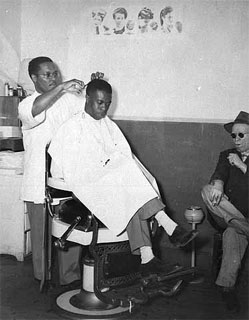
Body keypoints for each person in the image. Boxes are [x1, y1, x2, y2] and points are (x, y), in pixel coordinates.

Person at [48, 79, 199, 276]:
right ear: (87, 98)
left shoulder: (108, 125)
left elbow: (125, 155)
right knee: (126, 181)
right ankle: (168, 225)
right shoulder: (71, 126)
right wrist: (104, 168)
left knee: (130, 185)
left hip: (110, 185)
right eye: (99, 102)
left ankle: (148, 258)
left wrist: (110, 167)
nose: (104, 108)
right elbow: (65, 168)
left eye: (108, 104)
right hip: (84, 187)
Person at [18, 56, 87, 286]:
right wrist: (60, 87)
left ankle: (70, 277)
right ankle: (43, 278)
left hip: (65, 174)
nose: (54, 77)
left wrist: (91, 87)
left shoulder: (68, 100)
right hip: (39, 179)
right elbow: (37, 110)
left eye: (55, 73)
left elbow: (87, 111)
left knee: (71, 225)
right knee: (41, 235)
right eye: (47, 75)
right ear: (34, 78)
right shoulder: (27, 103)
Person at [201, 111, 249, 311]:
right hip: (228, 213)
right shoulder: (226, 155)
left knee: (232, 234)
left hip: (239, 221)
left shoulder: (237, 159)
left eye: (241, 135)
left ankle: (227, 289)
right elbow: (219, 172)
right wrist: (218, 184)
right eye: (233, 135)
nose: (236, 140)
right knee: (206, 189)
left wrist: (242, 166)